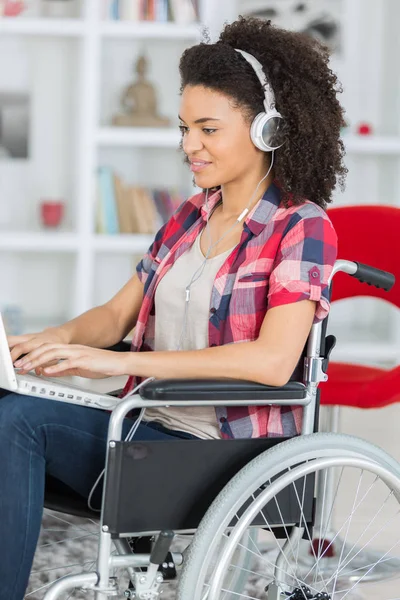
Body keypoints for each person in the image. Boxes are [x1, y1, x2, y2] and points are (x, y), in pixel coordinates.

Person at [0, 16, 346, 599]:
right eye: (184, 127)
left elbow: (270, 361)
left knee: (20, 423)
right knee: (10, 399)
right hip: (148, 431)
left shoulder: (302, 228)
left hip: (221, 452)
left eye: (208, 129)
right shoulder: (190, 216)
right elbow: (115, 317)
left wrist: (118, 365)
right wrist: (43, 344)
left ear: (267, 129)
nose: (190, 145)